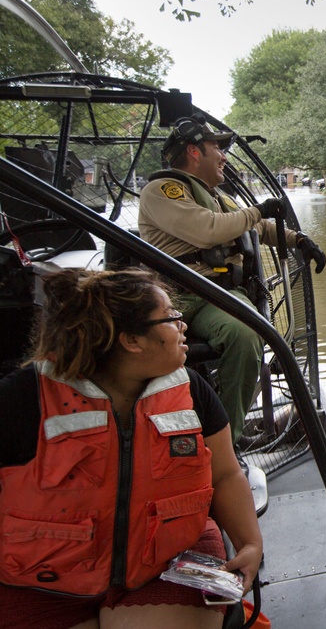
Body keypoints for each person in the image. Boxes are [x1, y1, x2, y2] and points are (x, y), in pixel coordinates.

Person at [0, 268, 262, 629]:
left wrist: (249, 543)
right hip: (43, 581)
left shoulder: (192, 390)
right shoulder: (22, 400)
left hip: (166, 565)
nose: (184, 326)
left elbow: (227, 473)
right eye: (172, 318)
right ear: (132, 341)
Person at [138, 116, 326, 442]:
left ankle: (227, 433)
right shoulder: (162, 191)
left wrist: (299, 240)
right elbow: (208, 230)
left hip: (218, 295)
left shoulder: (218, 197)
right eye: (217, 148)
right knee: (245, 334)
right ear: (195, 152)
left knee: (252, 330)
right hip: (181, 297)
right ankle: (222, 444)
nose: (224, 156)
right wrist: (259, 210)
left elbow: (257, 228)